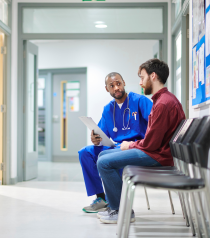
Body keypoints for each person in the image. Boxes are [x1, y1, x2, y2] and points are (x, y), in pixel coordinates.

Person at [97, 59, 186, 223]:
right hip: (156, 151)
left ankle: (120, 210)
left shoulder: (163, 104)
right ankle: (117, 207)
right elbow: (152, 140)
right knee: (102, 157)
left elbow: (151, 144)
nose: (140, 82)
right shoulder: (162, 100)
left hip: (158, 155)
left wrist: (130, 145)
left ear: (153, 76)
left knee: (104, 163)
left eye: (142, 77)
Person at [79, 72, 153, 213]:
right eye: (111, 86)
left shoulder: (139, 101)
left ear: (124, 82)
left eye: (118, 83)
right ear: (107, 89)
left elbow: (156, 124)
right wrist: (96, 139)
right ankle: (101, 198)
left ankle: (119, 205)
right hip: (117, 146)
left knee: (110, 156)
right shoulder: (108, 109)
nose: (116, 88)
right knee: (85, 153)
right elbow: (102, 134)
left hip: (136, 147)